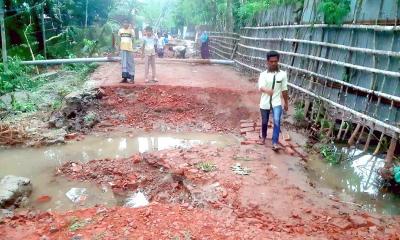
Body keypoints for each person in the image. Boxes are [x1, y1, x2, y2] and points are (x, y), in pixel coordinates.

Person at [257, 51, 289, 151]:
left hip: (276, 102)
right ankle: (263, 137)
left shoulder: (283, 74)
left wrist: (286, 103)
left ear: (278, 61)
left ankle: (275, 143)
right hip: (265, 102)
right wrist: (267, 90)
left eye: (275, 61)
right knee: (265, 122)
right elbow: (260, 87)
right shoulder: (263, 75)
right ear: (267, 62)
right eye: (271, 61)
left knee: (276, 121)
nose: (274, 63)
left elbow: (284, 90)